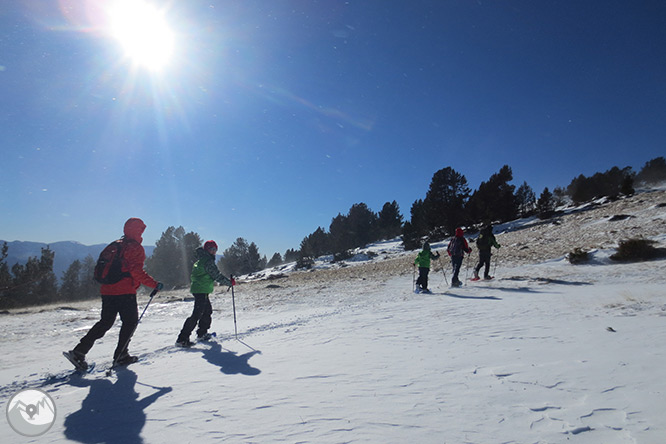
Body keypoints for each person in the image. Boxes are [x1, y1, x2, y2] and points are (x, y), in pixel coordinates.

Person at [67, 218, 162, 370]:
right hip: (125, 292)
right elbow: (136, 271)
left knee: (105, 322)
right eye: (141, 229)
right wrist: (154, 284)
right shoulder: (135, 248)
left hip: (107, 290)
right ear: (138, 230)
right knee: (130, 322)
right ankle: (121, 355)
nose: (142, 232)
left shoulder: (116, 245)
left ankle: (79, 351)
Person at [176, 241, 233, 347]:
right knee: (197, 314)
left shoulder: (201, 260)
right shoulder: (207, 261)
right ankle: (182, 338)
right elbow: (216, 275)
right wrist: (229, 282)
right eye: (211, 249)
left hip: (200, 290)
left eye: (215, 249)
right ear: (206, 249)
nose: (213, 251)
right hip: (201, 290)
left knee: (207, 311)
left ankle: (202, 333)